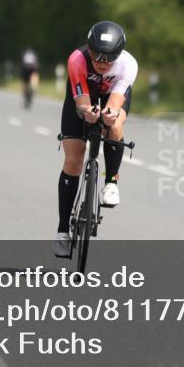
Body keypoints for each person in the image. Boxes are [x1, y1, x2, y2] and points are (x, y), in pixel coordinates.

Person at [53, 21, 138, 257]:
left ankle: (111, 182)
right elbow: (81, 103)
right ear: (88, 49)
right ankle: (62, 232)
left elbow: (115, 102)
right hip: (83, 96)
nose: (101, 62)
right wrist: (86, 112)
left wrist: (108, 116)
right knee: (74, 158)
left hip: (112, 94)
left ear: (118, 55)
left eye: (108, 58)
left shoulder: (128, 64)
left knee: (115, 123)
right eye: (96, 56)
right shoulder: (77, 59)